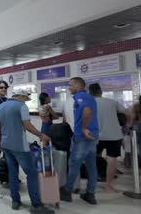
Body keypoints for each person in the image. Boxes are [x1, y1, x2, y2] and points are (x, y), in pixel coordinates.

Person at [0, 89, 54, 214]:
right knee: (31, 173)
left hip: (6, 144)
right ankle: (36, 205)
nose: (26, 101)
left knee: (12, 172)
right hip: (19, 146)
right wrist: (40, 135)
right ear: (21, 97)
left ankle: (15, 200)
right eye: (25, 98)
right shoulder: (22, 107)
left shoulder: (1, 106)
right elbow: (27, 125)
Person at [60, 77, 99, 205]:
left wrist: (83, 128)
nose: (69, 87)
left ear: (78, 85)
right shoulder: (89, 97)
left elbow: (87, 111)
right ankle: (90, 193)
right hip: (92, 135)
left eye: (71, 85)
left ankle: (67, 190)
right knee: (91, 164)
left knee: (74, 163)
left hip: (82, 136)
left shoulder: (80, 97)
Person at [89, 83, 130, 191]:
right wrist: (128, 125)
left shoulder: (89, 103)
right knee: (112, 160)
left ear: (89, 93)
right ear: (101, 92)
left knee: (92, 157)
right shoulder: (112, 102)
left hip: (96, 136)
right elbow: (127, 113)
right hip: (115, 136)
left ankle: (93, 181)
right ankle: (108, 185)